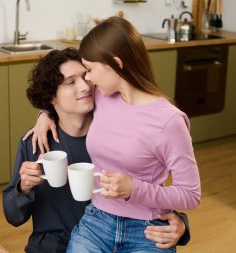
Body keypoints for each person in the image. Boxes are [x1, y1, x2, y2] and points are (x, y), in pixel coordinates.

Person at [29, 17, 201, 253]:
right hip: (97, 220)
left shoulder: (169, 121)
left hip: (148, 229)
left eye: (89, 70)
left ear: (116, 64)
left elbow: (190, 195)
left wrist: (134, 189)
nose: (88, 79)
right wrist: (45, 114)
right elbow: (63, 97)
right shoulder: (102, 97)